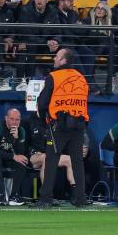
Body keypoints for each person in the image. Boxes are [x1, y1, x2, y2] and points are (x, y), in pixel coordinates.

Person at [36, 48, 89, 207]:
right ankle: (80, 198)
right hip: (78, 124)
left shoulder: (53, 76)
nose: (54, 59)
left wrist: (46, 118)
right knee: (77, 162)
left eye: (57, 56)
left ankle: (45, 198)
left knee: (51, 161)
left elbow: (43, 102)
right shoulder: (81, 78)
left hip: (58, 125)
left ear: (64, 61)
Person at [0, 108, 29, 205]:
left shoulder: (21, 131)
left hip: (9, 158)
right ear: (6, 118)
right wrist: (13, 156)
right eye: (12, 119)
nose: (14, 122)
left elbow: (20, 153)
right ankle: (1, 196)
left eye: (17, 120)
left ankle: (13, 197)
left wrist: (16, 139)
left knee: (23, 162)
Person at [17, 0, 60, 78]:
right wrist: (46, 42)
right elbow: (27, 35)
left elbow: (58, 31)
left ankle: (57, 81)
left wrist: (55, 41)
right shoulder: (26, 11)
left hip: (47, 45)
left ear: (47, 0)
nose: (39, 1)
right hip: (32, 44)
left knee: (65, 50)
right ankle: (29, 80)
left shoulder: (53, 12)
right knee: (29, 46)